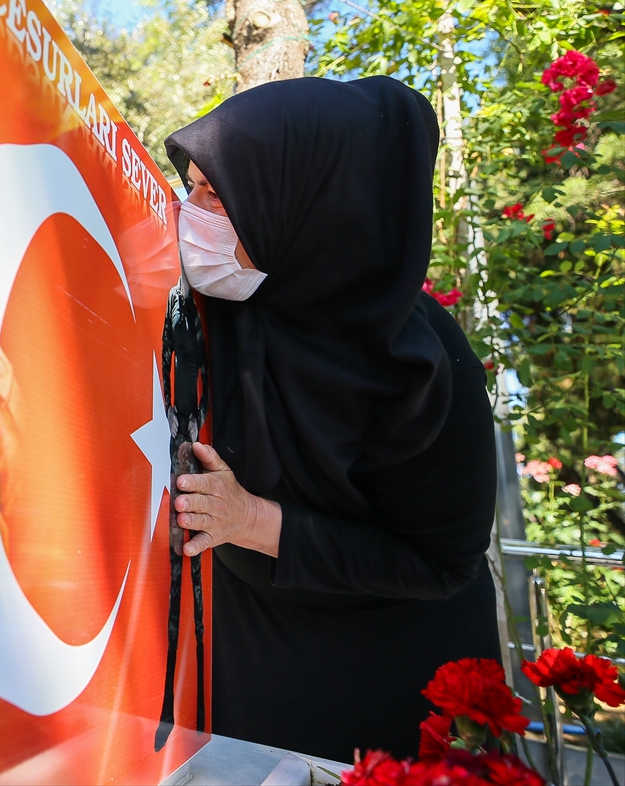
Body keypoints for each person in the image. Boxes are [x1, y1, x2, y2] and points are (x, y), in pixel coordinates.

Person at [162, 76, 500, 762]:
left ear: (307, 204)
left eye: (215, 194)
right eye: (190, 187)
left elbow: (440, 561)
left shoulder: (426, 369)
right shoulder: (237, 302)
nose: (187, 213)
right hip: (257, 641)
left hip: (394, 666)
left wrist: (253, 520)